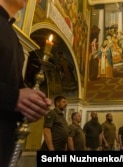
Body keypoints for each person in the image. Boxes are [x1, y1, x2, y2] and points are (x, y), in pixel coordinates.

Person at [0, 1, 51, 166]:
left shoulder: (12, 35)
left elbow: (15, 88)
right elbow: (13, 96)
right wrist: (14, 97)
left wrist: (31, 105)